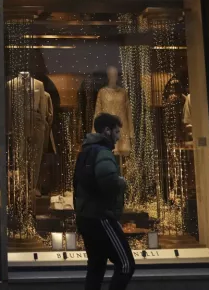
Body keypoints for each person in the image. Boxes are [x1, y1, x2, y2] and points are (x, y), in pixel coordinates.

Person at [74, 112, 134, 290]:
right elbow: (108, 181)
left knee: (96, 266)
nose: (118, 137)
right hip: (101, 217)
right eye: (116, 132)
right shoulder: (104, 153)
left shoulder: (86, 151)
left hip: (86, 217)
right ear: (107, 131)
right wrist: (121, 182)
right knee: (126, 265)